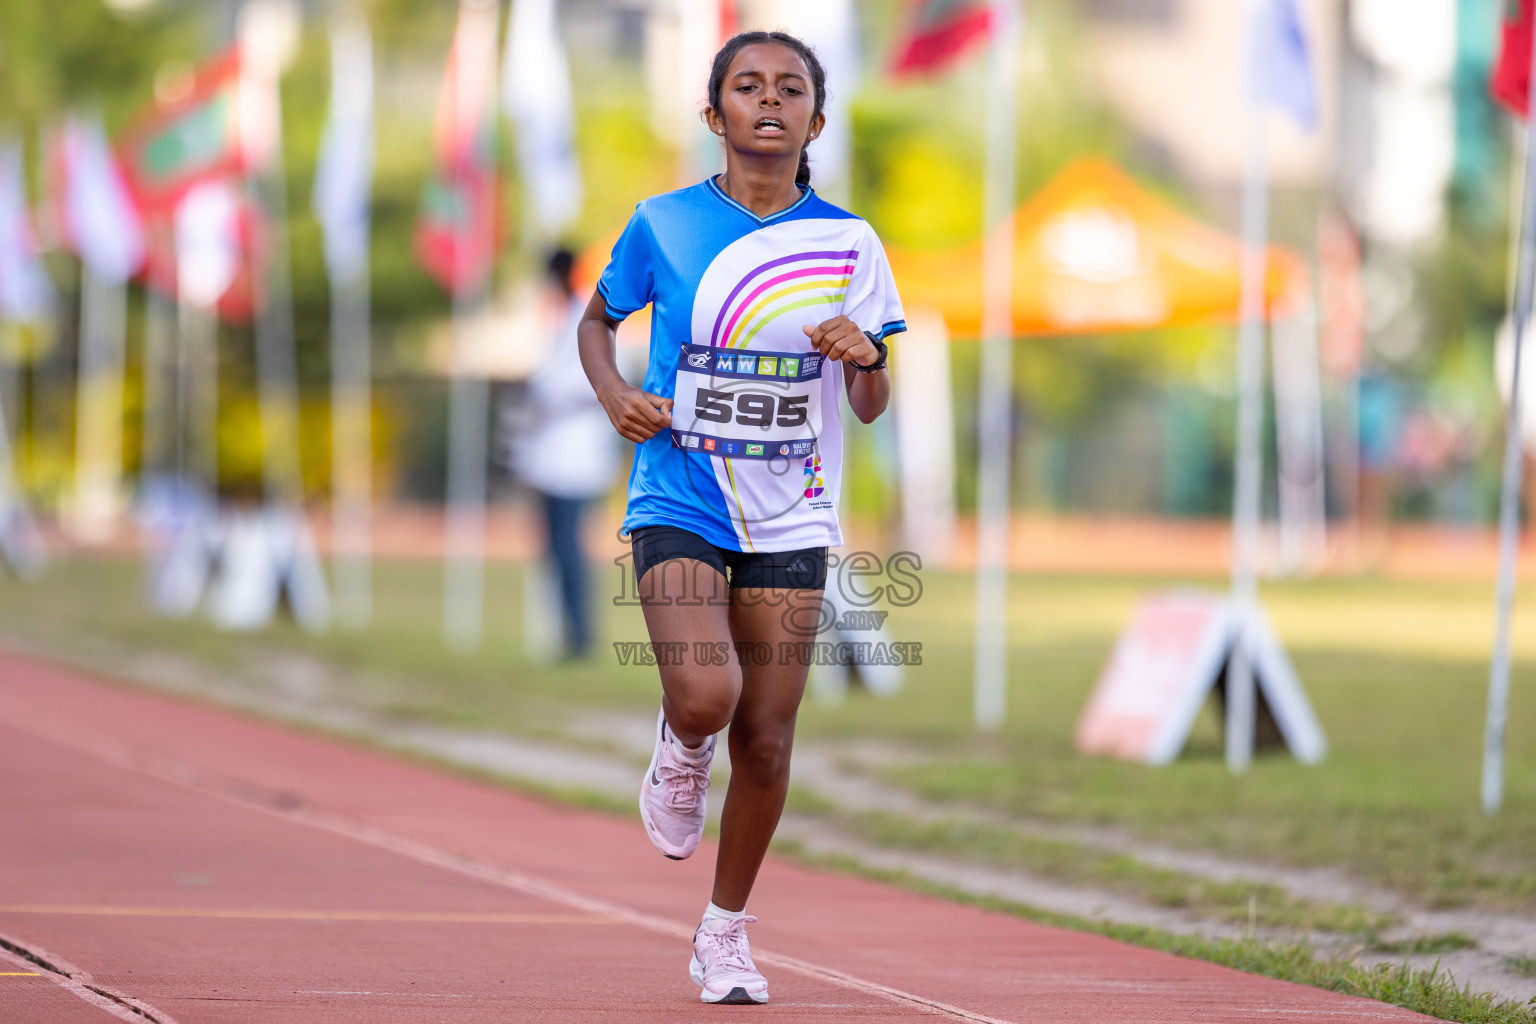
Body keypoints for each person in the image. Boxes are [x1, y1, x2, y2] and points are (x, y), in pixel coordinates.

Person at [577, 31, 905, 1005]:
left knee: (765, 735)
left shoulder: (852, 244)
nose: (771, 100)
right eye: (748, 86)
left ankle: (724, 931)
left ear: (816, 117)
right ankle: (680, 749)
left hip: (793, 517)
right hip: (678, 491)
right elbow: (596, 320)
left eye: (791, 87)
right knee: (709, 697)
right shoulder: (662, 224)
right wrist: (613, 394)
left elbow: (873, 406)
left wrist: (867, 359)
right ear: (714, 114)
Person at [513, 249, 620, 658]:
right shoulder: (556, 322)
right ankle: (568, 633)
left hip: (576, 456)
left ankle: (581, 637)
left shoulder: (589, 320)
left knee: (570, 549)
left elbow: (595, 385)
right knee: (554, 550)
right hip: (549, 455)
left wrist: (548, 399)